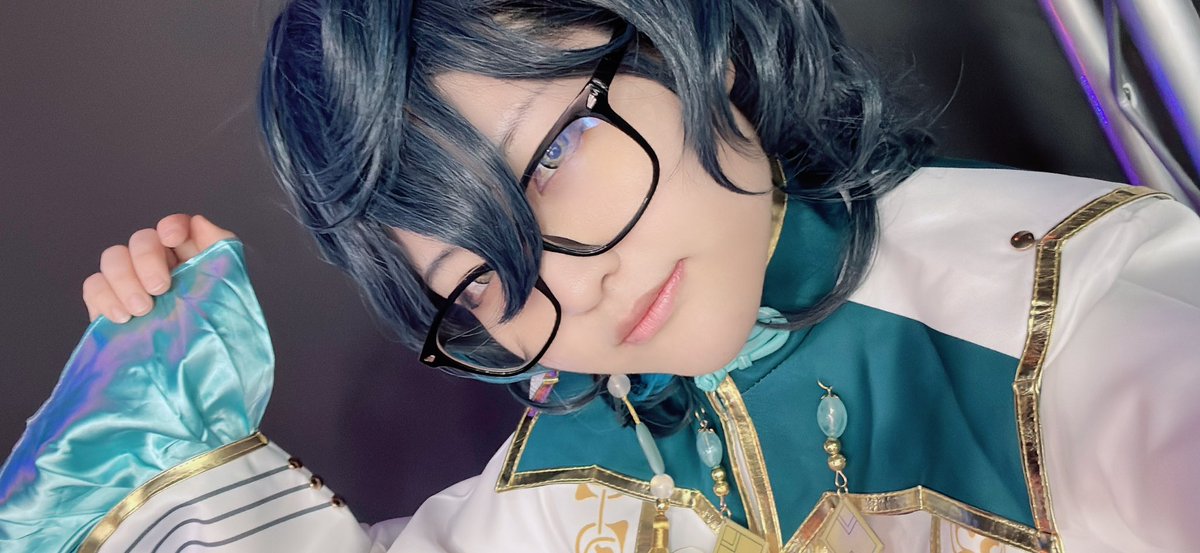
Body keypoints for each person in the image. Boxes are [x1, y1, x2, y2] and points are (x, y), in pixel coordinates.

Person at [2, 0, 1198, 551]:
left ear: (696, 41)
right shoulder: (571, 472)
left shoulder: (1060, 322)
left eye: (556, 154)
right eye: (482, 280)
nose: (575, 290)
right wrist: (154, 432)